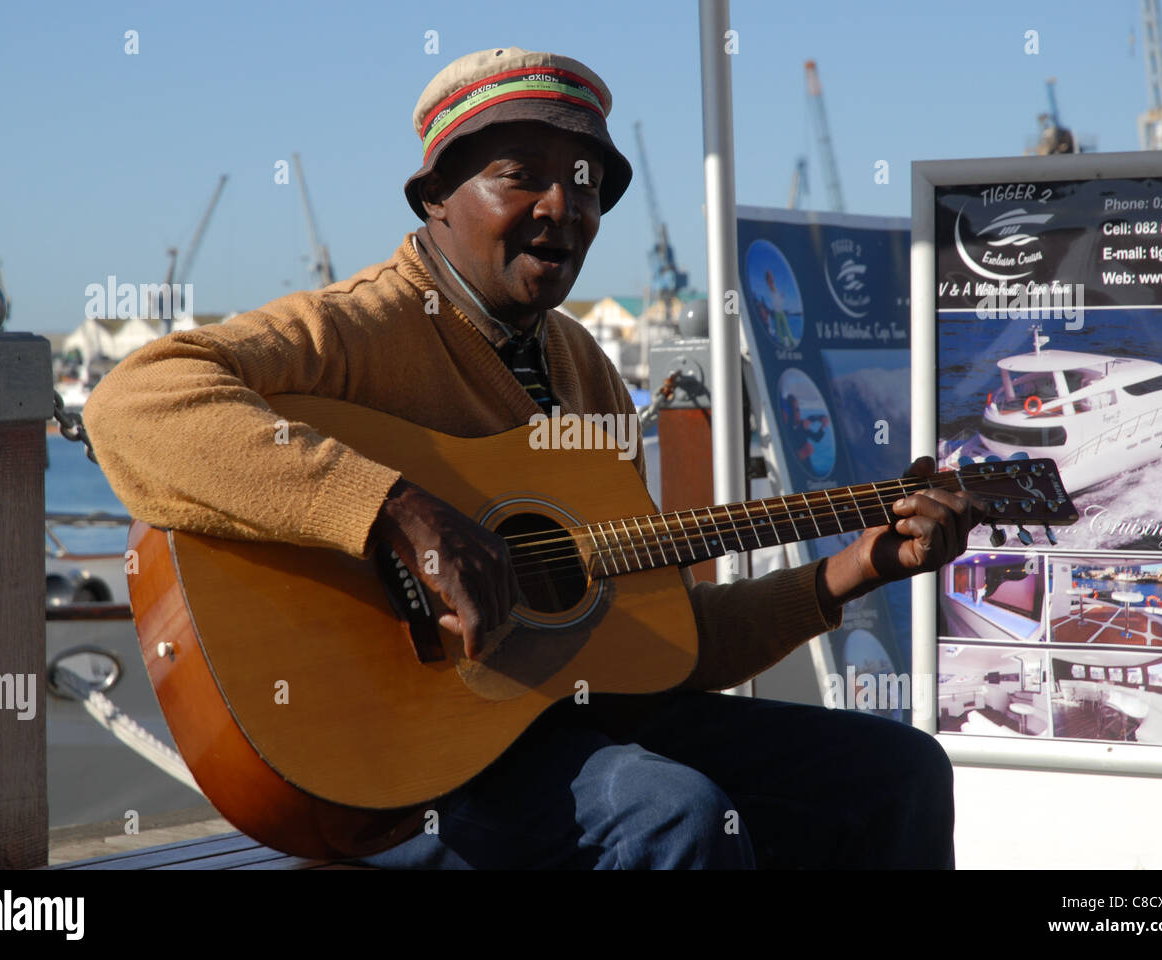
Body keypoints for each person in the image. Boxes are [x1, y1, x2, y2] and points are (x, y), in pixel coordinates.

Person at [83, 46, 985, 869]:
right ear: (435, 197)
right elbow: (130, 403)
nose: (563, 207)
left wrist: (854, 569)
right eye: (521, 178)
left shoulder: (582, 366)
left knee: (898, 770)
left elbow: (652, 643)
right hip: (403, 768)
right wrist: (397, 511)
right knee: (675, 816)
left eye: (586, 185)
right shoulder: (357, 328)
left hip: (555, 733)